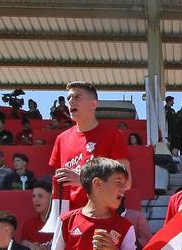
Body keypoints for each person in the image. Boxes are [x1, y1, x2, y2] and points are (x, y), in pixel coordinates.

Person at [47, 82, 130, 212]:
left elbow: (126, 182)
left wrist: (82, 180)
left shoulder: (112, 135)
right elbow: (59, 185)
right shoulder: (61, 139)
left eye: (77, 97)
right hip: (70, 217)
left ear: (93, 104)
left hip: (102, 216)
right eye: (69, 98)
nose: (71, 102)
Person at [20, 181, 55, 250]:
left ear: (52, 197)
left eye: (40, 196)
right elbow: (23, 243)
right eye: (34, 196)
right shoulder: (28, 224)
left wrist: (45, 249)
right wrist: (31, 246)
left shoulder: (62, 223)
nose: (35, 199)